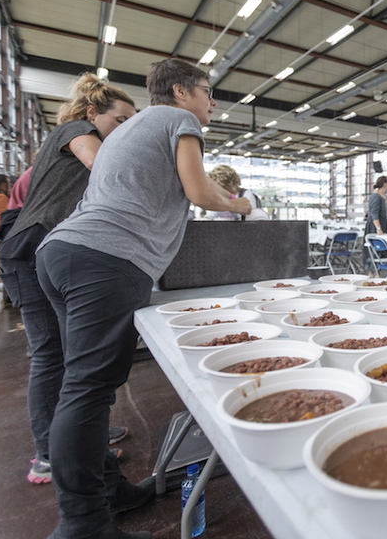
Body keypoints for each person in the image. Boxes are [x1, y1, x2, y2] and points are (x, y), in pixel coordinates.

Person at [34, 58, 251, 539]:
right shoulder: (180, 120)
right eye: (207, 90)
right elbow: (200, 192)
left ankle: (109, 494)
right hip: (107, 258)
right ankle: (82, 525)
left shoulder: (130, 131)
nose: (211, 101)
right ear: (180, 92)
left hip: (65, 252)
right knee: (87, 392)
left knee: (84, 386)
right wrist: (240, 204)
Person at [0, 73, 137, 486]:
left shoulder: (88, 136)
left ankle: (80, 435)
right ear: (93, 113)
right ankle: (46, 453)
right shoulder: (75, 129)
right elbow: (102, 165)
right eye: (121, 120)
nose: (127, 130)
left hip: (52, 251)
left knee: (75, 358)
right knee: (50, 356)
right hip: (29, 252)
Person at [364, 176, 387, 275]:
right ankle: (371, 274)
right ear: (384, 183)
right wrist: (378, 228)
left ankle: (377, 274)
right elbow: (374, 213)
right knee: (374, 249)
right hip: (374, 227)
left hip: (380, 225)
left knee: (379, 251)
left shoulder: (381, 197)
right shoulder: (376, 196)